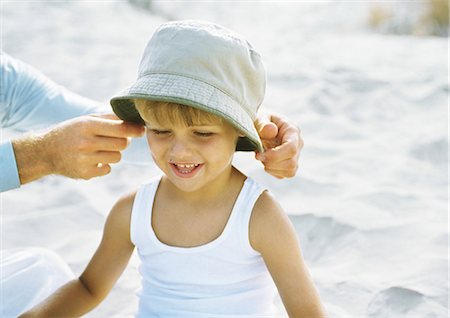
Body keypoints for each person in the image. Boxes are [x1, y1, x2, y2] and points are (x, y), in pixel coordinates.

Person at [20, 21, 325, 317]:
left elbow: (306, 312)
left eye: (203, 134)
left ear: (240, 134)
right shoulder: (131, 211)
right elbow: (89, 287)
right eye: (161, 131)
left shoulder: (258, 216)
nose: (179, 151)